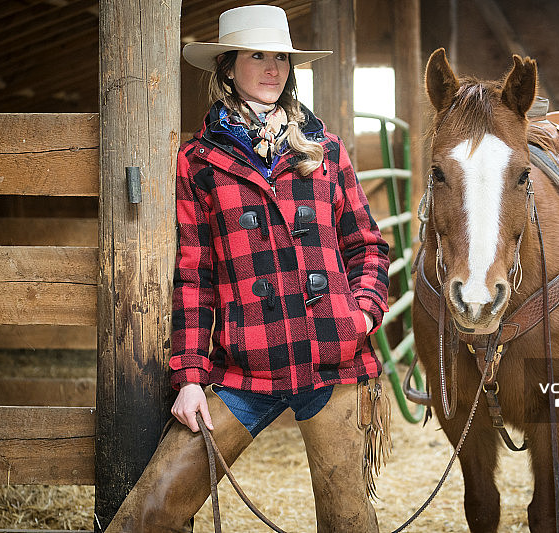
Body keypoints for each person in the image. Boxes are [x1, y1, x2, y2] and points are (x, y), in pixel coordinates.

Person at [105, 5, 391, 532]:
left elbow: (367, 247)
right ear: (228, 66)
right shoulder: (197, 162)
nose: (272, 68)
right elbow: (193, 278)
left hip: (333, 359)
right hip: (245, 367)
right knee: (153, 509)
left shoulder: (326, 151)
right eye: (257, 55)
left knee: (348, 520)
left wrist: (363, 316)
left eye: (280, 57)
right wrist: (190, 377)